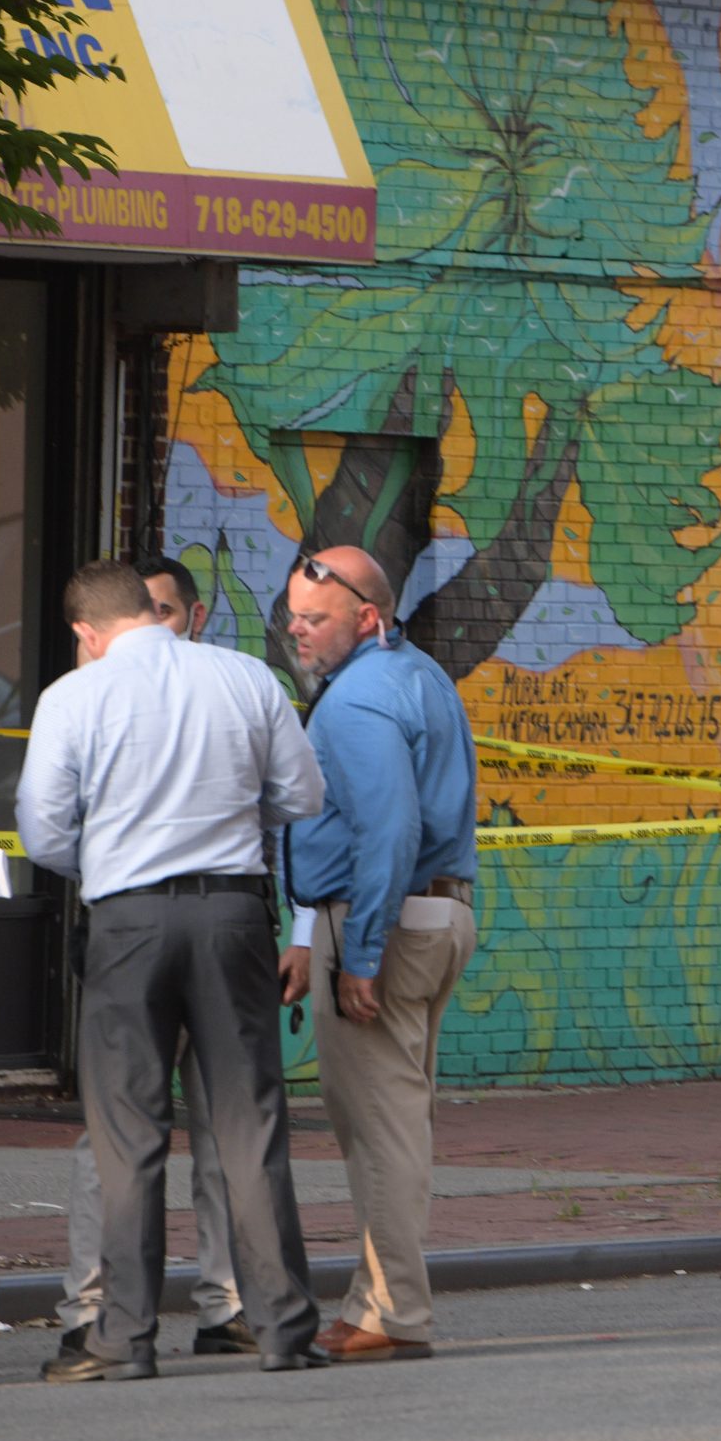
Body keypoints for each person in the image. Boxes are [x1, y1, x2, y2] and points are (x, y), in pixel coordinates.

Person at [17, 560, 329, 1381]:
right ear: (161, 615)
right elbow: (303, 794)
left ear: (87, 632)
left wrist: (112, 851)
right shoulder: (245, 676)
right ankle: (284, 1326)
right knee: (249, 1123)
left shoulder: (73, 697)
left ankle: (124, 1338)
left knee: (129, 1137)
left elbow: (44, 832)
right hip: (232, 913)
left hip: (126, 919)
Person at [53, 554, 256, 1361]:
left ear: (193, 617)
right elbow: (51, 816)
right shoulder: (88, 699)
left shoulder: (226, 687)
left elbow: (284, 809)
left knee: (226, 1128)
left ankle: (229, 1303)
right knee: (112, 1135)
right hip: (126, 928)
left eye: (167, 610)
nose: (155, 626)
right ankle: (91, 1307)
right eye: (143, 611)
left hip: (212, 922)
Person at [279, 546, 476, 1358]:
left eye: (315, 618)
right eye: (291, 614)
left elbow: (387, 829)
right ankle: (378, 1301)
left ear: (366, 617)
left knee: (381, 1129)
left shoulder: (355, 701)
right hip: (437, 913)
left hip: (378, 923)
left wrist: (358, 951)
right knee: (399, 1122)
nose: (297, 630)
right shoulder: (420, 674)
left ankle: (389, 1313)